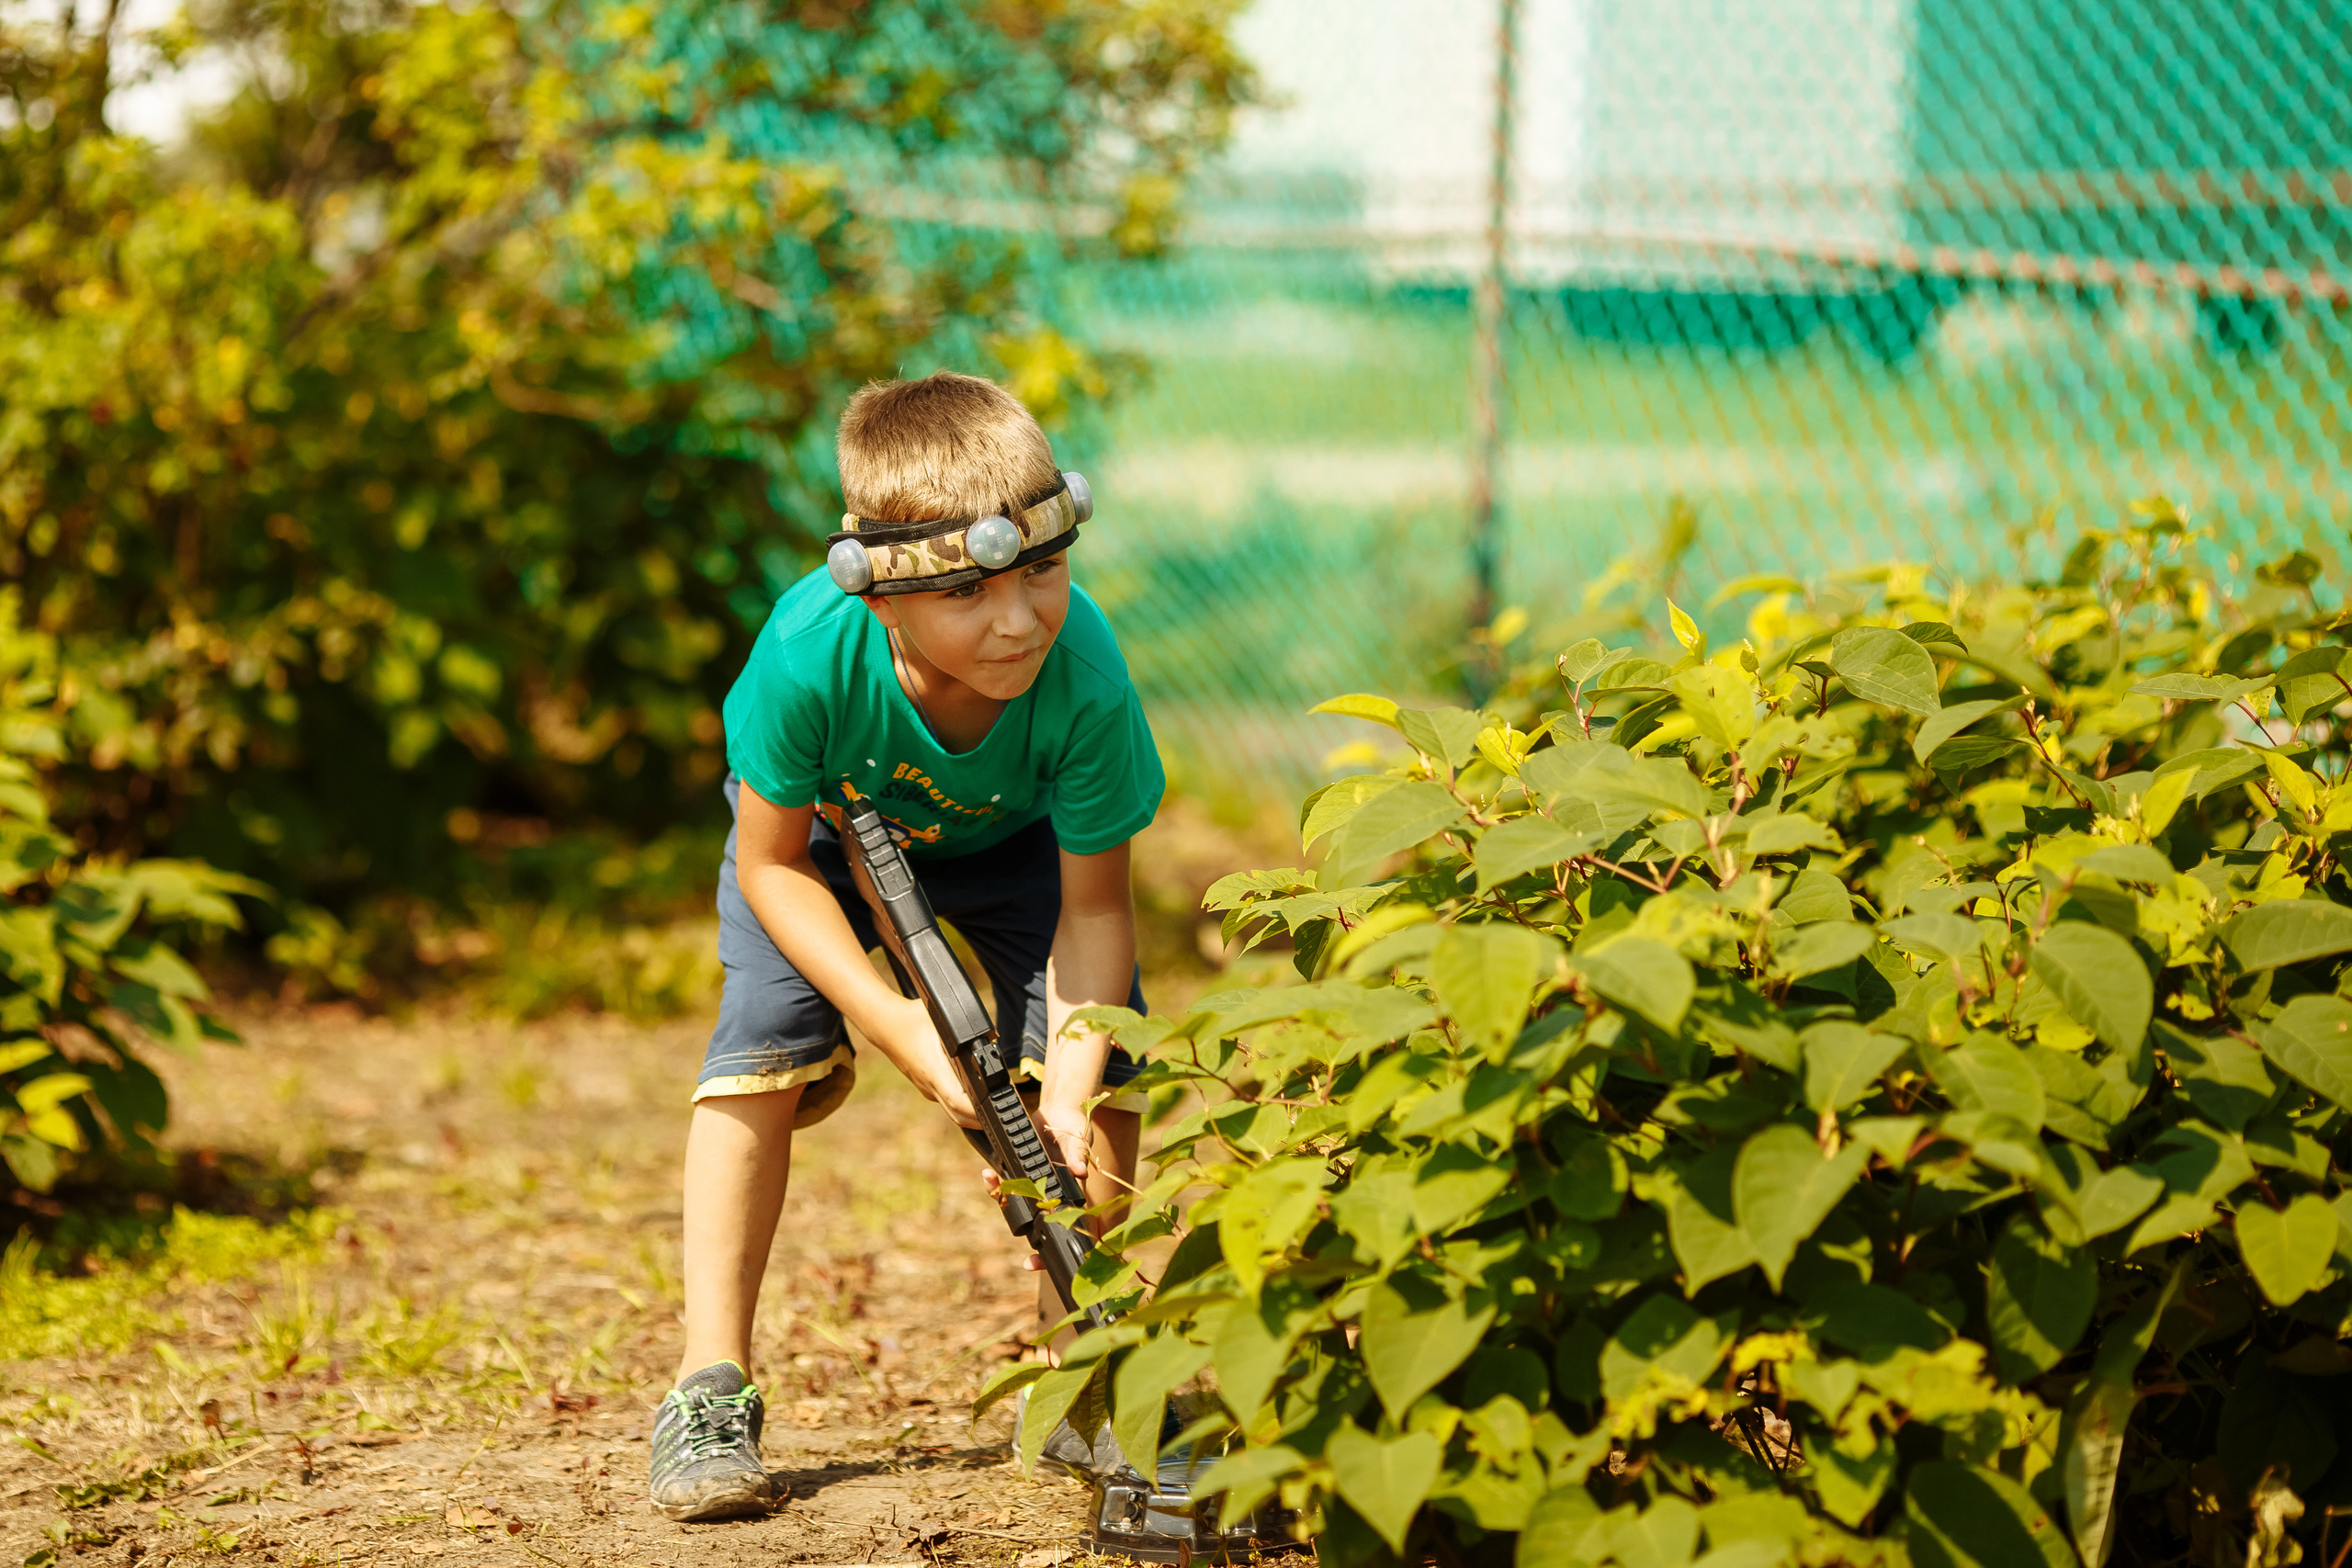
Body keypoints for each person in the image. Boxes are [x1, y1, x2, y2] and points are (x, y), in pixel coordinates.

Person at [649, 372, 1161, 1522]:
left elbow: (1095, 916)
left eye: (1043, 570)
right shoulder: (808, 654)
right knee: (758, 1051)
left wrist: (1064, 1102)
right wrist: (909, 1040)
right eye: (970, 592)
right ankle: (707, 1382)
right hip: (822, 845)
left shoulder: (1085, 679)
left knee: (1114, 1055)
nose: (1020, 618)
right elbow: (769, 865)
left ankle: (1066, 1379)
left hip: (1020, 844)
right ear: (879, 599)